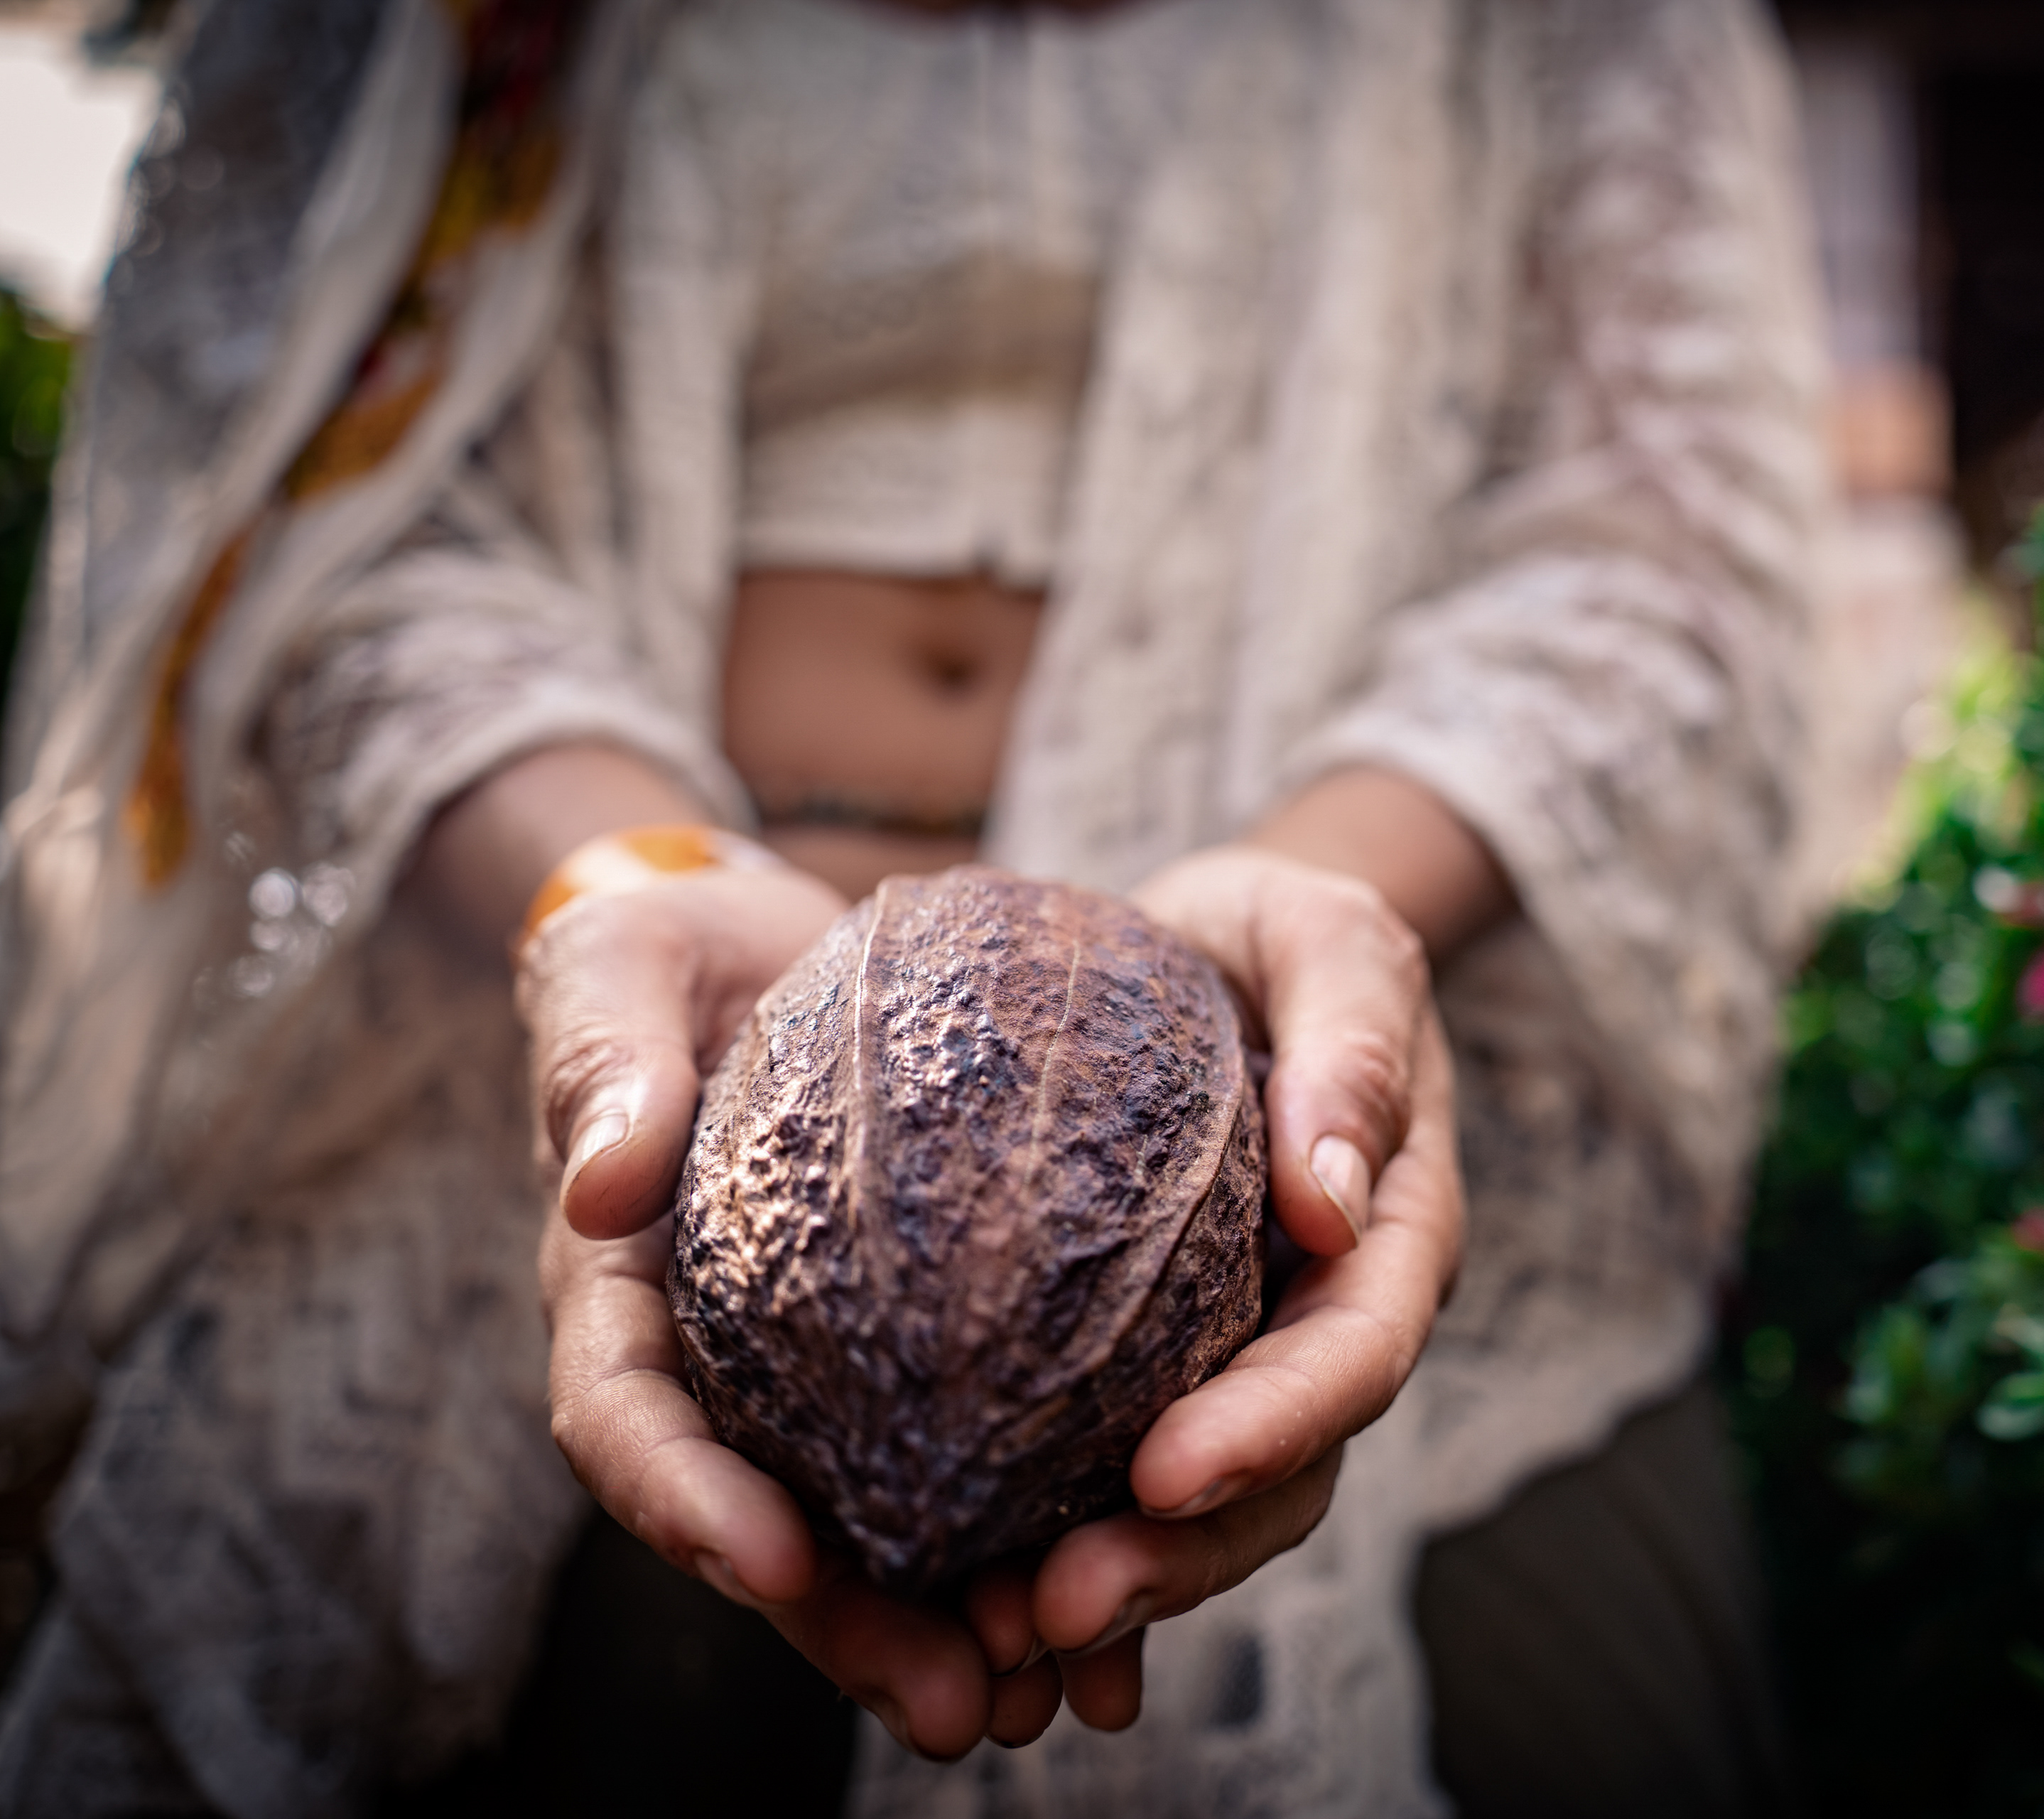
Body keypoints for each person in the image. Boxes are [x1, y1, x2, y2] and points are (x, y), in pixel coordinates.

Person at [0, 0, 1829, 1813]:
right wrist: (621, 871)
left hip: (1357, 1097)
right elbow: (297, 507)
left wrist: (1329, 903)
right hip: (562, 1103)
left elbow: (1657, 540)